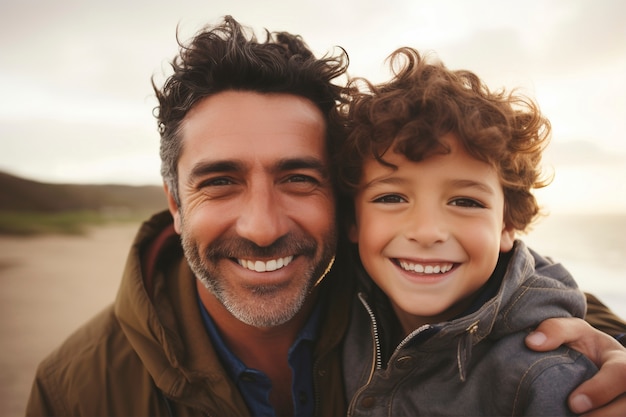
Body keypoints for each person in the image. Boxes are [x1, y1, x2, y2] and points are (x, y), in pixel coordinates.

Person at [24, 16, 626, 417]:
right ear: (176, 204)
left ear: (341, 201)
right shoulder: (78, 390)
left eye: (298, 178)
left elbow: (521, 290)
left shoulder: (393, 288)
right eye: (220, 182)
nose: (261, 227)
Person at [337, 47, 620, 416]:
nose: (427, 232)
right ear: (352, 221)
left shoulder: (543, 377)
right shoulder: (334, 304)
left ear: (507, 225)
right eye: (391, 197)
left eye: (465, 202)